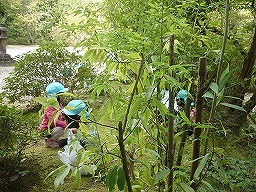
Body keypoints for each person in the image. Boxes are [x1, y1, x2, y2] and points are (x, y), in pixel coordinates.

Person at [38, 82, 69, 148]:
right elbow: (53, 121)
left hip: (52, 128)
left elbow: (63, 111)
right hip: (46, 130)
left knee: (63, 126)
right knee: (63, 129)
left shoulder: (57, 104)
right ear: (56, 96)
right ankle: (49, 142)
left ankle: (53, 138)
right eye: (61, 94)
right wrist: (67, 125)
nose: (63, 96)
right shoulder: (49, 107)